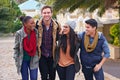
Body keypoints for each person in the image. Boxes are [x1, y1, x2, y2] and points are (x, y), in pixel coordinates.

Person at [37, 6, 61, 80]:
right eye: (44, 13)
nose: (46, 14)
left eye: (48, 12)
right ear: (41, 14)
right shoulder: (37, 25)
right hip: (42, 55)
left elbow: (60, 37)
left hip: (52, 55)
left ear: (51, 13)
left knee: (52, 76)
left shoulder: (56, 25)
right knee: (44, 77)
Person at [13, 16, 39, 80]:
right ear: (25, 24)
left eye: (34, 23)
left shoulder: (36, 32)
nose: (34, 24)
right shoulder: (19, 33)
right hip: (23, 59)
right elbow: (16, 47)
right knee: (25, 78)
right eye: (31, 23)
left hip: (33, 58)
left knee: (34, 77)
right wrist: (16, 58)